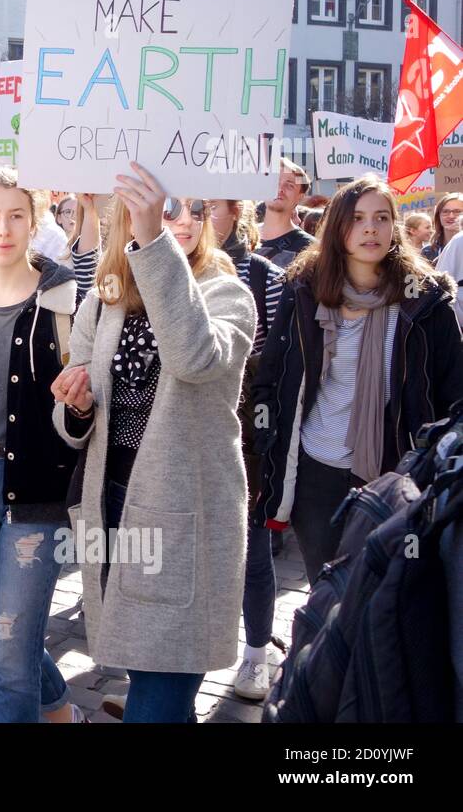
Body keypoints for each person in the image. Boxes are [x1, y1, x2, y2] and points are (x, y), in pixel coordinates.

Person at [51, 163, 255, 723]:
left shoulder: (228, 295)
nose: (183, 219)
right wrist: (77, 402)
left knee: (159, 696)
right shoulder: (104, 300)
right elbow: (73, 420)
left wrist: (154, 239)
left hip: (185, 516)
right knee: (150, 677)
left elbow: (194, 359)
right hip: (111, 504)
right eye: (168, 207)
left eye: (195, 208)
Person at [253, 176, 463, 585]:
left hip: (395, 474)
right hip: (317, 472)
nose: (371, 229)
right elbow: (273, 376)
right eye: (358, 218)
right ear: (338, 229)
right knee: (327, 593)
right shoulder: (305, 290)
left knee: (385, 598)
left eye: (382, 218)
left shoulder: (425, 299)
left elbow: (454, 391)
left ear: (394, 227)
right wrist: (267, 444)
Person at [0, 169, 82, 723]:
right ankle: (60, 712)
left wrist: (79, 403)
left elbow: (88, 404)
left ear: (35, 223)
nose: (1, 229)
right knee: (4, 635)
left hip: (36, 490)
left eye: (14, 215)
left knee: (8, 661)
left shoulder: (65, 297)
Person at [207, 199, 286, 701]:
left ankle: (256, 654)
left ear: (235, 212)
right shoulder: (156, 264)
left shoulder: (264, 276)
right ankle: (166, 668)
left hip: (244, 432)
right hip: (174, 434)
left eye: (208, 207)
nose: (195, 217)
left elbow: (273, 364)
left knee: (252, 550)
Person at [257, 159, 314, 269]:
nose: (280, 189)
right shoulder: (242, 237)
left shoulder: (309, 248)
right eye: (275, 182)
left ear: (300, 196)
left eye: (289, 185)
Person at [422, 193, 463, 265]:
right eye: (445, 211)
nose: (451, 216)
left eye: (457, 211)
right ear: (438, 216)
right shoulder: (428, 251)